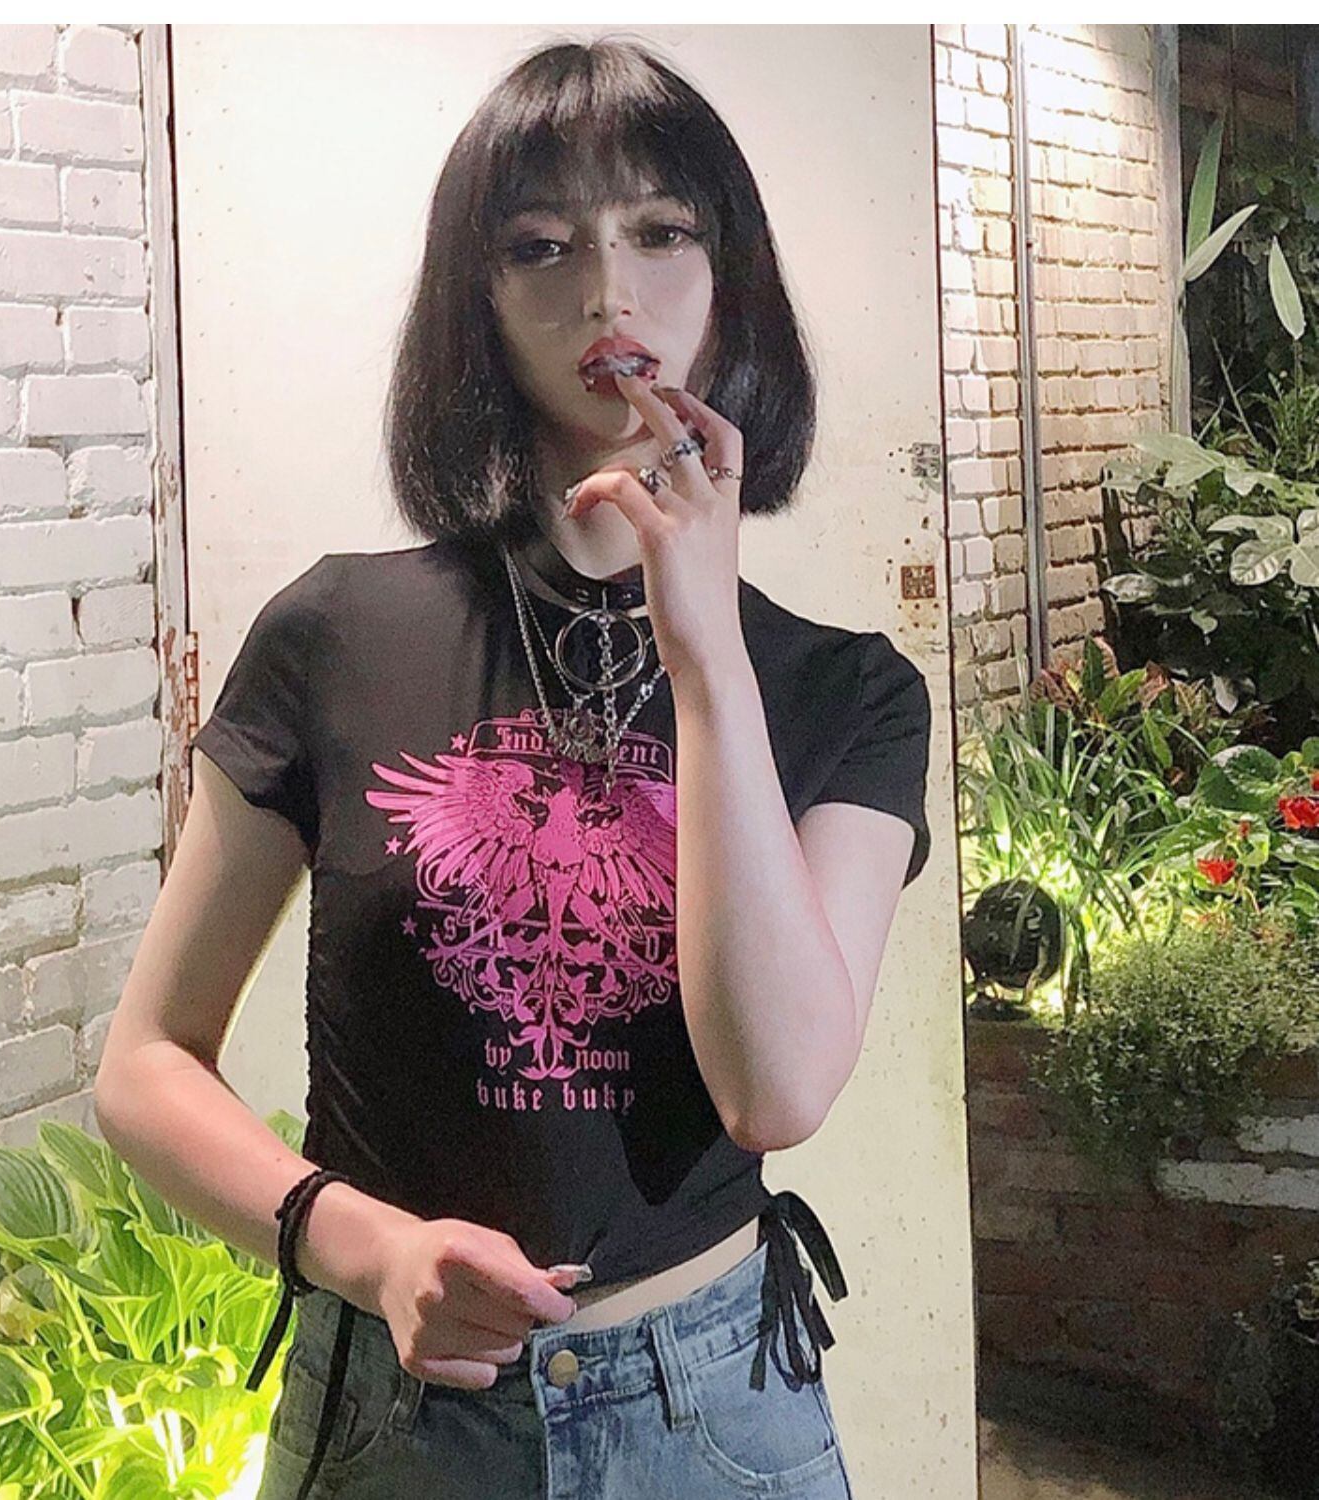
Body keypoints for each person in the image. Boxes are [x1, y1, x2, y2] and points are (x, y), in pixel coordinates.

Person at [95, 34, 931, 1500]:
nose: (607, 290)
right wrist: (370, 1248)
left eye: (661, 231)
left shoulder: (844, 690)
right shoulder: (333, 634)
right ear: (475, 301)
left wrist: (705, 658)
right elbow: (146, 1063)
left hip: (715, 1412)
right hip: (395, 1412)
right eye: (542, 245)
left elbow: (780, 1090)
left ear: (730, 275)